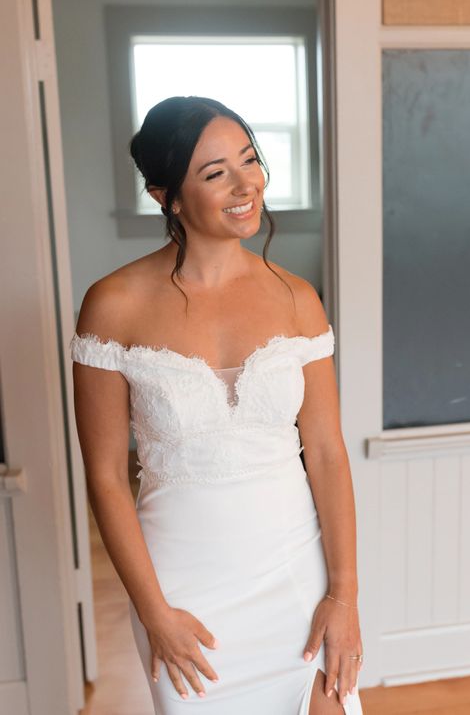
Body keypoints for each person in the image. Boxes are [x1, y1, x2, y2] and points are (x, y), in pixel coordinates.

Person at [69, 96, 364, 714]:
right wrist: (153, 611)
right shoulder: (114, 305)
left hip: (296, 574)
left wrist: (344, 595)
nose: (245, 184)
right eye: (215, 172)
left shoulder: (297, 298)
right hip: (182, 589)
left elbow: (327, 453)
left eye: (249, 160)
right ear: (167, 196)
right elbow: (105, 478)